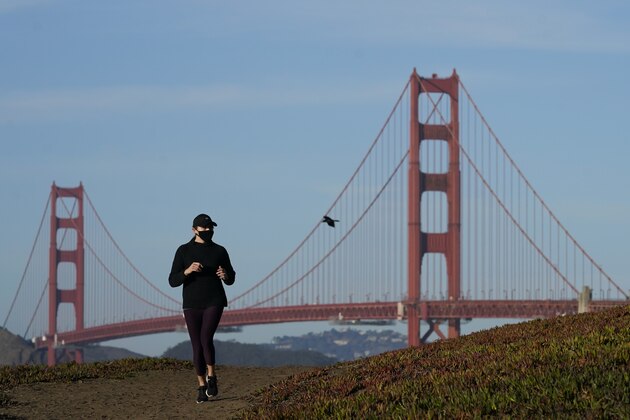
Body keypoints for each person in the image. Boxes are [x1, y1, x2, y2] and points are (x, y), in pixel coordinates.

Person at [168, 213, 236, 404]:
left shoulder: (220, 251)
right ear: (194, 230)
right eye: (204, 229)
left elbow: (231, 277)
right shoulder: (183, 251)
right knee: (196, 345)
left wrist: (226, 275)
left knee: (206, 338)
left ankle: (212, 376)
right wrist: (187, 271)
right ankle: (201, 386)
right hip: (191, 303)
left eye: (210, 228)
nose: (208, 232)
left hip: (214, 300)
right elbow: (173, 280)